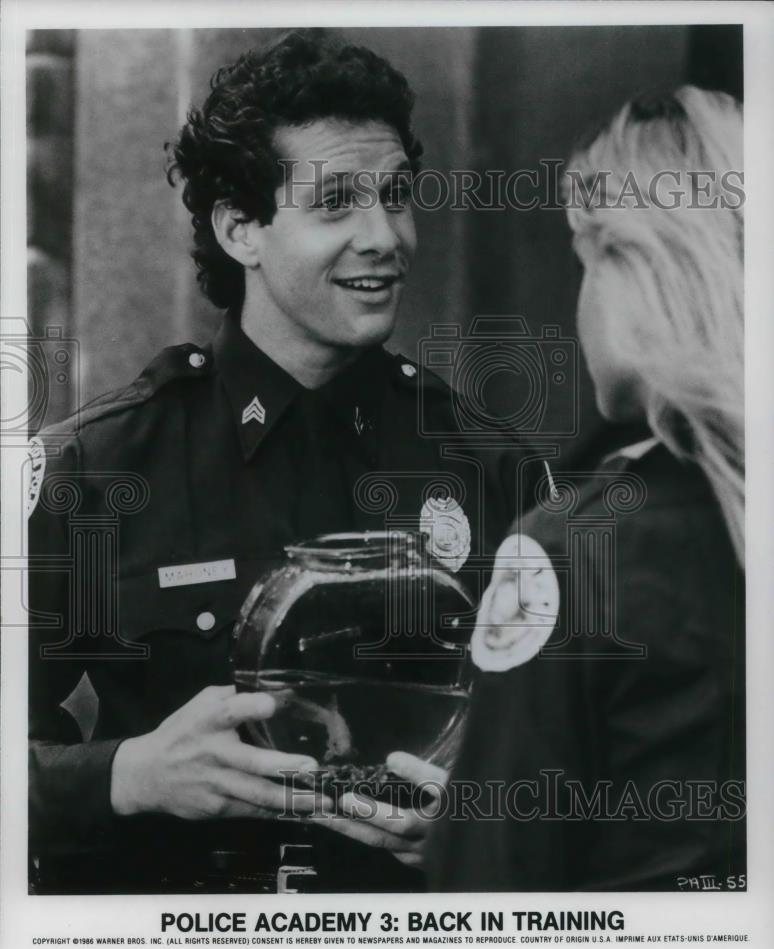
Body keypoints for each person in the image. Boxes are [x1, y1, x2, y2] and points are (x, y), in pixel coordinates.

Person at [27, 30, 526, 893]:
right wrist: (127, 774)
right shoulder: (96, 471)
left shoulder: (490, 469)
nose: (384, 237)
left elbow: (582, 764)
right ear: (240, 229)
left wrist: (482, 821)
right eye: (336, 202)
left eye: (396, 196)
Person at [428, 86, 746, 891]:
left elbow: (487, 905)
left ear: (638, 266)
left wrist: (462, 832)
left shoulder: (568, 551)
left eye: (585, 259)